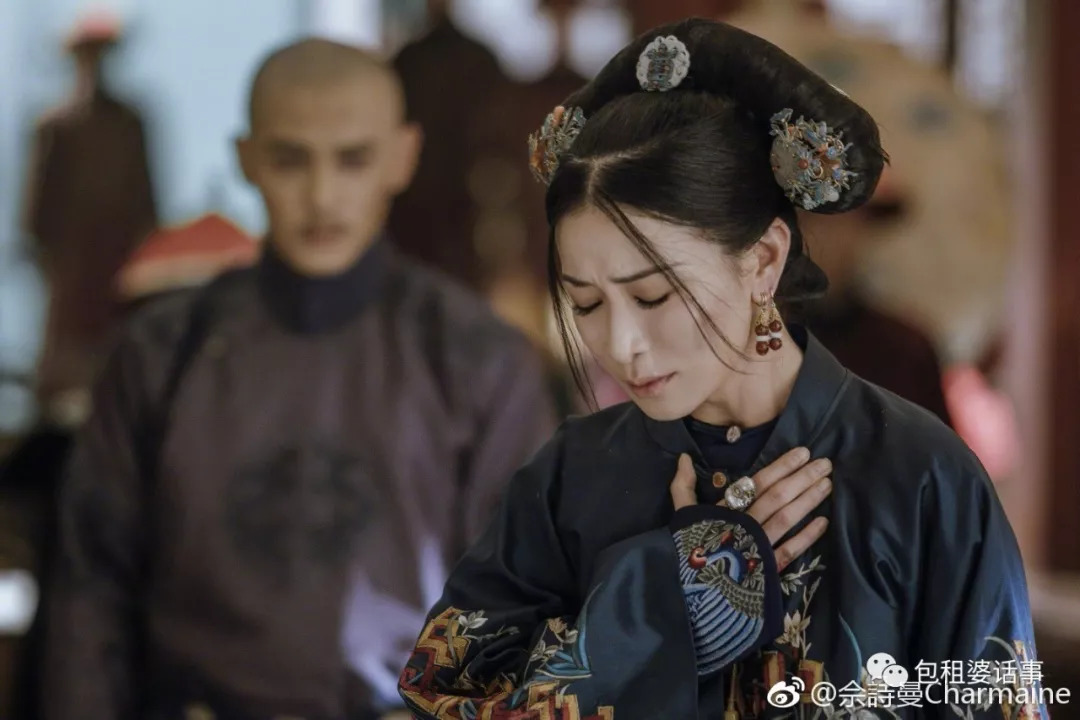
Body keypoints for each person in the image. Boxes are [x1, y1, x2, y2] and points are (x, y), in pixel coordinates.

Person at [396, 19, 1042, 720]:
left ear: (764, 260)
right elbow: (442, 696)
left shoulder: (924, 480)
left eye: (653, 296)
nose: (622, 344)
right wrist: (666, 591)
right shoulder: (569, 478)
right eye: (586, 303)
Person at [43, 39, 556, 720]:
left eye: (353, 159)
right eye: (291, 160)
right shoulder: (161, 352)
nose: (322, 196)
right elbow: (89, 594)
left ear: (402, 157)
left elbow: (523, 606)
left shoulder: (477, 358)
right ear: (247, 158)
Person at [23, 10, 158, 421]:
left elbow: (146, 199)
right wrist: (55, 262)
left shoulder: (130, 123)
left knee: (122, 366)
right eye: (89, 53)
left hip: (119, 265)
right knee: (63, 373)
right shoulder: (55, 127)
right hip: (72, 269)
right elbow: (36, 212)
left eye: (102, 53)